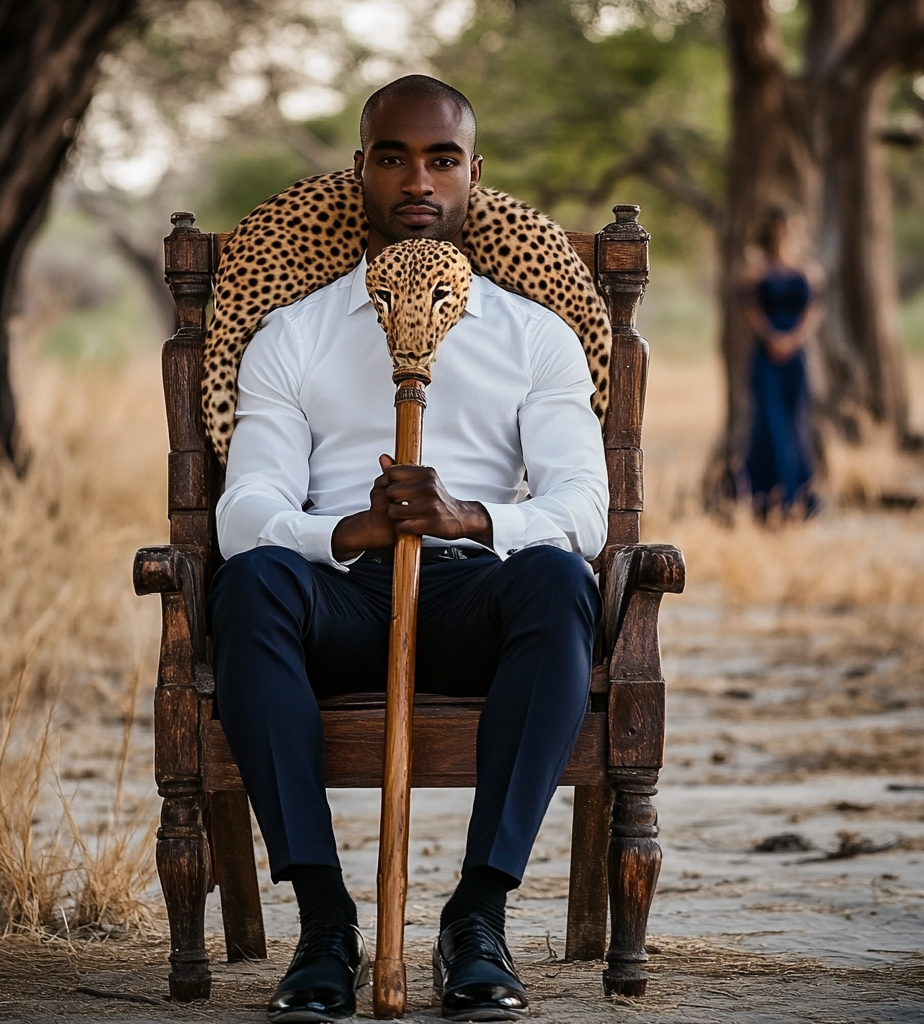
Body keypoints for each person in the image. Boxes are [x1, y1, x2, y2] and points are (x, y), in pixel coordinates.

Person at [210, 75, 608, 1023]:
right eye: (393, 157)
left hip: (477, 595)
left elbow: (582, 509)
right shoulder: (292, 335)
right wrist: (348, 531)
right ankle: (324, 923)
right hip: (339, 597)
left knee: (557, 579)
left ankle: (477, 917)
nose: (417, 179)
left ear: (476, 174)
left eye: (441, 159)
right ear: (362, 172)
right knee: (253, 578)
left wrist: (469, 518)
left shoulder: (535, 336)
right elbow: (247, 507)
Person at [738, 206, 823, 518]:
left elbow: (813, 311)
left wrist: (792, 339)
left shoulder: (809, 271)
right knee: (768, 424)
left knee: (795, 424)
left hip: (795, 357)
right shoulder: (756, 271)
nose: (785, 232)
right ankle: (767, 499)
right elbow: (751, 310)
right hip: (765, 355)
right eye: (780, 227)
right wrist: (772, 337)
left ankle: (797, 498)